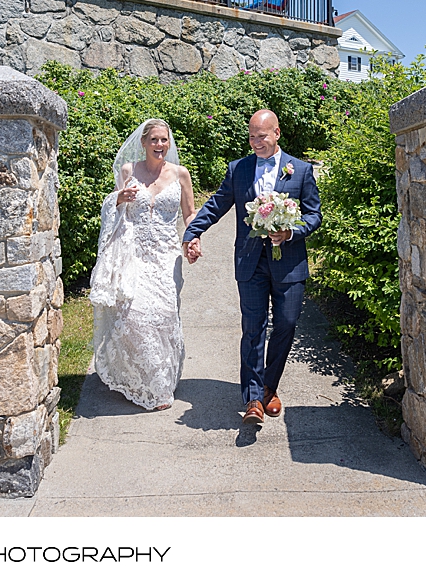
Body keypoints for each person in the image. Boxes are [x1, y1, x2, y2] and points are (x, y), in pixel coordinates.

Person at [183, 110, 322, 425]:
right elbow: (218, 204)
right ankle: (254, 399)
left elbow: (315, 215)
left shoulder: (299, 170)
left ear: (277, 133)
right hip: (249, 262)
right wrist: (193, 231)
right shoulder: (239, 169)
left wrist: (290, 232)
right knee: (253, 328)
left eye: (262, 136)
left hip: (288, 263)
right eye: (252, 136)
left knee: (286, 324)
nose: (256, 142)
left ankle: (269, 386)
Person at [89, 119, 197, 411]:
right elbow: (117, 209)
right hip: (133, 253)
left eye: (164, 140)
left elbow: (189, 214)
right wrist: (118, 199)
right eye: (154, 140)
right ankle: (151, 386)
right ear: (144, 142)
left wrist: (193, 238)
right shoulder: (128, 171)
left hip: (166, 255)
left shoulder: (181, 174)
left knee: (163, 315)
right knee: (134, 313)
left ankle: (162, 376)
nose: (160, 145)